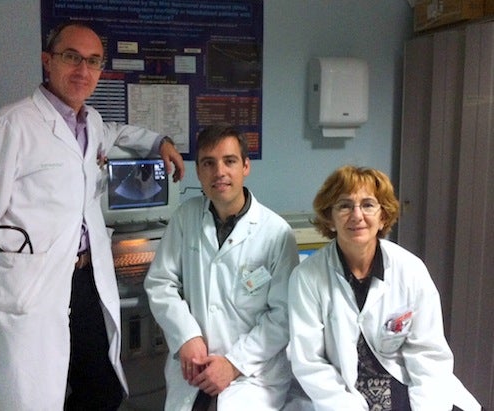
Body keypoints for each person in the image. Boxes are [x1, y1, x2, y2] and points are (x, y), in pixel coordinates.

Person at [0, 22, 184, 411]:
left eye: (93, 61)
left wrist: (160, 141)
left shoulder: (89, 122)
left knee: (103, 387)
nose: (82, 70)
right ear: (48, 61)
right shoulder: (10, 125)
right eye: (71, 57)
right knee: (29, 396)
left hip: (86, 279)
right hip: (30, 284)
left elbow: (116, 133)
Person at [287, 165, 481, 411]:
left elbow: (427, 353)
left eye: (368, 205)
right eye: (344, 206)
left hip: (405, 382)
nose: (357, 215)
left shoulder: (410, 270)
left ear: (383, 217)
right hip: (341, 392)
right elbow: (309, 362)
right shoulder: (307, 277)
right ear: (330, 218)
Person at [144, 124, 299, 411]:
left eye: (229, 161)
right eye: (208, 163)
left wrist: (233, 363)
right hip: (193, 365)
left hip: (251, 375)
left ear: (246, 166)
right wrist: (187, 336)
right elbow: (161, 283)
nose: (219, 172)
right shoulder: (186, 217)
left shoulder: (276, 233)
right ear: (198, 171)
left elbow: (283, 315)